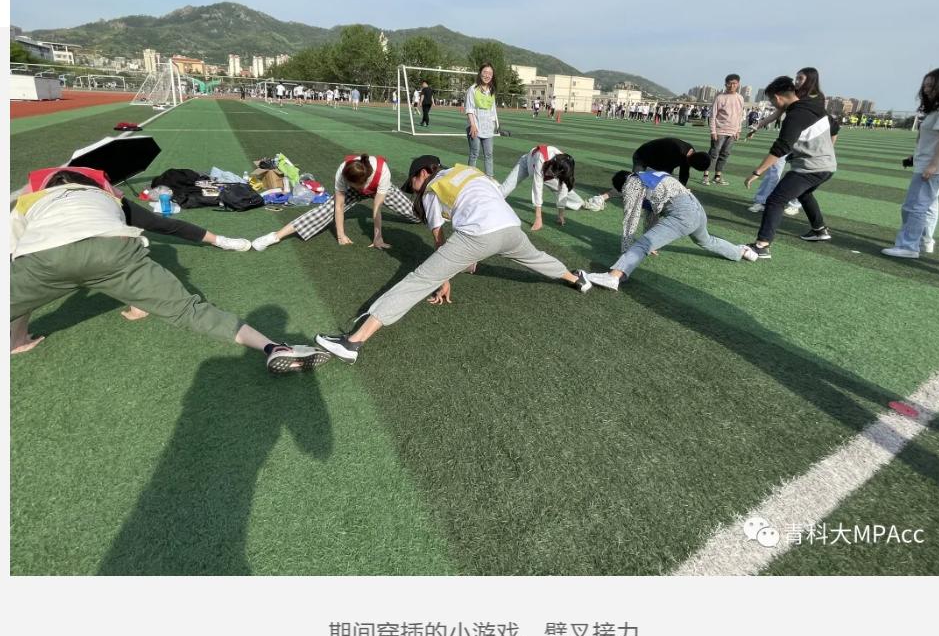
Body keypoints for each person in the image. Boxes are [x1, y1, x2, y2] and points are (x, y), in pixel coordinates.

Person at [10, 168, 328, 373]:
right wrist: (138, 298)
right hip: (115, 252)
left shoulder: (28, 202)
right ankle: (274, 347)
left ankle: (16, 340)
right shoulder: (107, 195)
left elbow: (12, 252)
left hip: (43, 257)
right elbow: (159, 227)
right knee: (191, 311)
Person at [314, 156, 591, 363]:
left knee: (419, 280)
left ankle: (353, 343)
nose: (414, 188)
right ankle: (576, 279)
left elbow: (439, 238)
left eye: (413, 182)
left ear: (423, 173)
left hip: (477, 235)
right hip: (510, 227)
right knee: (537, 258)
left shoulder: (433, 187)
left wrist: (444, 279)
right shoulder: (467, 170)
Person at [586, 169, 757, 291]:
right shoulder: (648, 176)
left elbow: (631, 218)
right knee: (706, 241)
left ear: (623, 186)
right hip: (696, 209)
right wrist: (654, 242)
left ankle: (614, 276)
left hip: (683, 213)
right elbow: (653, 213)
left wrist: (626, 249)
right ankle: (741, 252)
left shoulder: (631, 184)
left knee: (642, 244)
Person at [743, 76, 837, 259]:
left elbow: (781, 148)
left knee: (775, 200)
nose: (773, 105)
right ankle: (819, 229)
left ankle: (762, 246)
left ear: (778, 98)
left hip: (810, 168)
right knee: (804, 194)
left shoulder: (794, 116)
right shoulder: (815, 106)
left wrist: (757, 172)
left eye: (772, 101)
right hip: (828, 166)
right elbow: (835, 128)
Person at [252, 154, 418, 252]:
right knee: (324, 210)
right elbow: (338, 206)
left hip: (380, 188)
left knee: (416, 215)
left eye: (356, 185)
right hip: (355, 186)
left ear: (364, 181)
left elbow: (377, 209)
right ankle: (275, 236)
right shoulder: (342, 172)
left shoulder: (383, 172)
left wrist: (378, 237)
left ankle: (428, 208)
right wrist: (341, 235)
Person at [882, 67, 939, 259]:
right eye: (925, 85)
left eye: (931, 86)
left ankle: (908, 246)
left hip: (934, 166)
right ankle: (925, 241)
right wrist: (914, 156)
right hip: (931, 163)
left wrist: (933, 165)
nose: (926, 89)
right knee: (929, 205)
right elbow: (930, 139)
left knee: (914, 206)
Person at [746, 68, 836, 216]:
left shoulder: (818, 98)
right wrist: (757, 126)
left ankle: (795, 204)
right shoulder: (793, 93)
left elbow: (831, 124)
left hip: (805, 142)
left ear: (811, 79)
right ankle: (761, 200)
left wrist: (828, 147)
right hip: (790, 137)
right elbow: (777, 112)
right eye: (796, 78)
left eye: (800, 78)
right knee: (774, 167)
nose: (797, 81)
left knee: (800, 174)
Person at [499, 145, 607, 230]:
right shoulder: (542, 158)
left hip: (547, 171)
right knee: (503, 192)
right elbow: (537, 189)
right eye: (554, 173)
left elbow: (563, 189)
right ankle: (493, 188)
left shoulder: (564, 163)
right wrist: (538, 218)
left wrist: (561, 215)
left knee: (565, 189)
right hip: (526, 164)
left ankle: (583, 203)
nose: (555, 176)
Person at [704, 74, 745, 185]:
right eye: (729, 83)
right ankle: (706, 176)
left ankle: (717, 177)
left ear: (738, 84)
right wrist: (713, 131)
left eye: (734, 83)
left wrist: (738, 130)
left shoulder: (740, 98)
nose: (732, 86)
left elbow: (740, 115)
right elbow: (713, 115)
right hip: (719, 131)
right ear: (726, 84)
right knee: (714, 154)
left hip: (732, 132)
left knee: (725, 154)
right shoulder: (720, 98)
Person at [630, 137, 711, 186]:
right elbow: (664, 172)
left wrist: (682, 189)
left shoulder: (690, 153)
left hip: (657, 158)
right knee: (635, 183)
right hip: (641, 156)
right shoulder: (677, 151)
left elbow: (684, 174)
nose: (689, 166)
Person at [465, 64, 498, 177]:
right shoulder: (473, 89)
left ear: (492, 76)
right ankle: (469, 178)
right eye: (485, 72)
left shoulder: (491, 90)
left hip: (488, 128)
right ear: (480, 73)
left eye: (490, 73)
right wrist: (473, 125)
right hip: (475, 127)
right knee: (474, 154)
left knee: (489, 155)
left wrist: (494, 124)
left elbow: (492, 109)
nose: (487, 75)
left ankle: (490, 178)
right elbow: (469, 108)